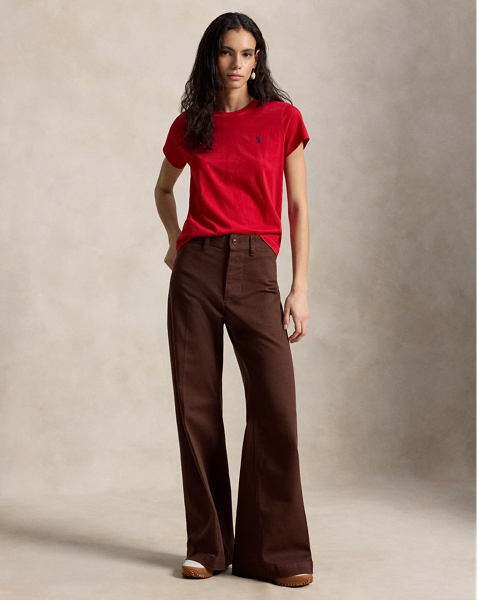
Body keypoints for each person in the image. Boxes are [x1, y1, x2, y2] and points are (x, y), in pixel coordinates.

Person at [154, 12, 313, 588]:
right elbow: (163, 188)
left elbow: (297, 207)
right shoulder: (191, 125)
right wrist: (175, 241)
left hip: (257, 268)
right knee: (196, 408)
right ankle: (208, 546)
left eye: (247, 53)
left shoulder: (282, 119)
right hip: (196, 271)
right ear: (212, 57)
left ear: (258, 59)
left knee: (276, 409)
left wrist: (298, 287)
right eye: (227, 52)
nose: (237, 63)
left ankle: (278, 554)